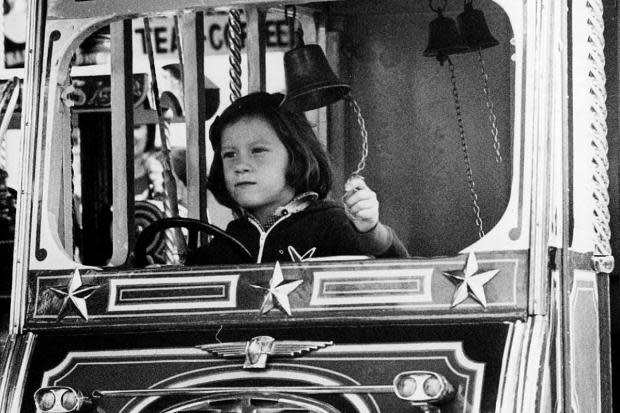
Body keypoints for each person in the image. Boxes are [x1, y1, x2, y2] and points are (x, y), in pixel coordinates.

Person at [190, 92, 408, 265]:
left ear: (296, 154)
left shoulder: (333, 224)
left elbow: (400, 274)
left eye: (257, 150)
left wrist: (370, 231)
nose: (240, 166)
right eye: (230, 154)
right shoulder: (228, 242)